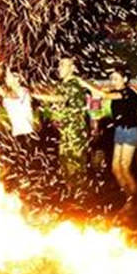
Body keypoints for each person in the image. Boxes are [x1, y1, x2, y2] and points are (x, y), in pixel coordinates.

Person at [77, 67, 137, 211]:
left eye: (116, 78)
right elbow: (99, 93)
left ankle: (135, 201)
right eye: (112, 79)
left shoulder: (128, 92)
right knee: (116, 168)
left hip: (130, 131)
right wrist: (87, 83)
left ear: (125, 79)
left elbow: (102, 94)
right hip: (119, 131)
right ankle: (131, 198)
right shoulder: (118, 92)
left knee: (125, 168)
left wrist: (82, 81)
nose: (112, 81)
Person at [34, 57, 89, 192]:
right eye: (59, 64)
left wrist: (38, 96)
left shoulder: (74, 83)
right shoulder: (62, 84)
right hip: (66, 131)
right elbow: (58, 105)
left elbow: (60, 99)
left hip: (75, 132)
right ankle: (72, 195)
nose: (59, 68)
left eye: (64, 65)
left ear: (73, 68)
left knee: (75, 164)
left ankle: (81, 197)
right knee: (65, 163)